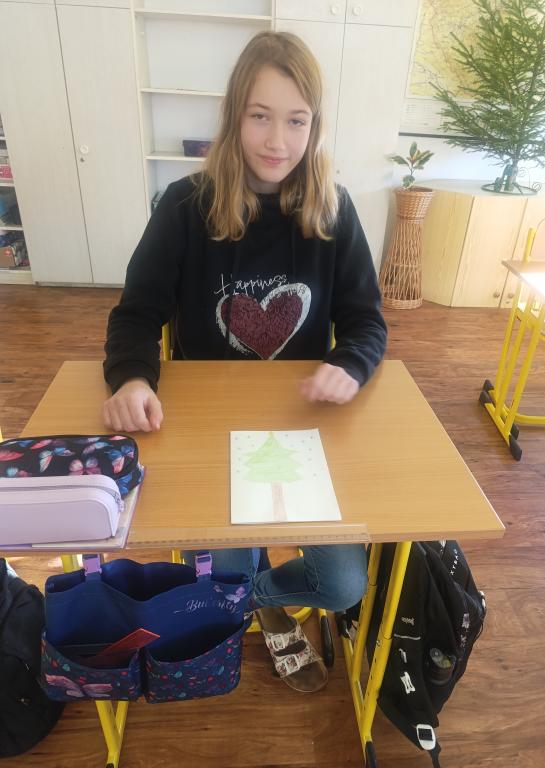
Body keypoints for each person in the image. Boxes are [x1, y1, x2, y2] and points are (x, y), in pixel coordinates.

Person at [103, 31, 387, 693]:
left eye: (296, 121)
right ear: (234, 115)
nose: (277, 141)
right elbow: (137, 313)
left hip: (303, 427)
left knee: (343, 584)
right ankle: (238, 598)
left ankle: (240, 602)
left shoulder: (334, 208)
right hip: (210, 431)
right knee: (228, 563)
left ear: (315, 126)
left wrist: (351, 363)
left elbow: (367, 320)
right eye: (260, 116)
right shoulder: (184, 205)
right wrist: (133, 377)